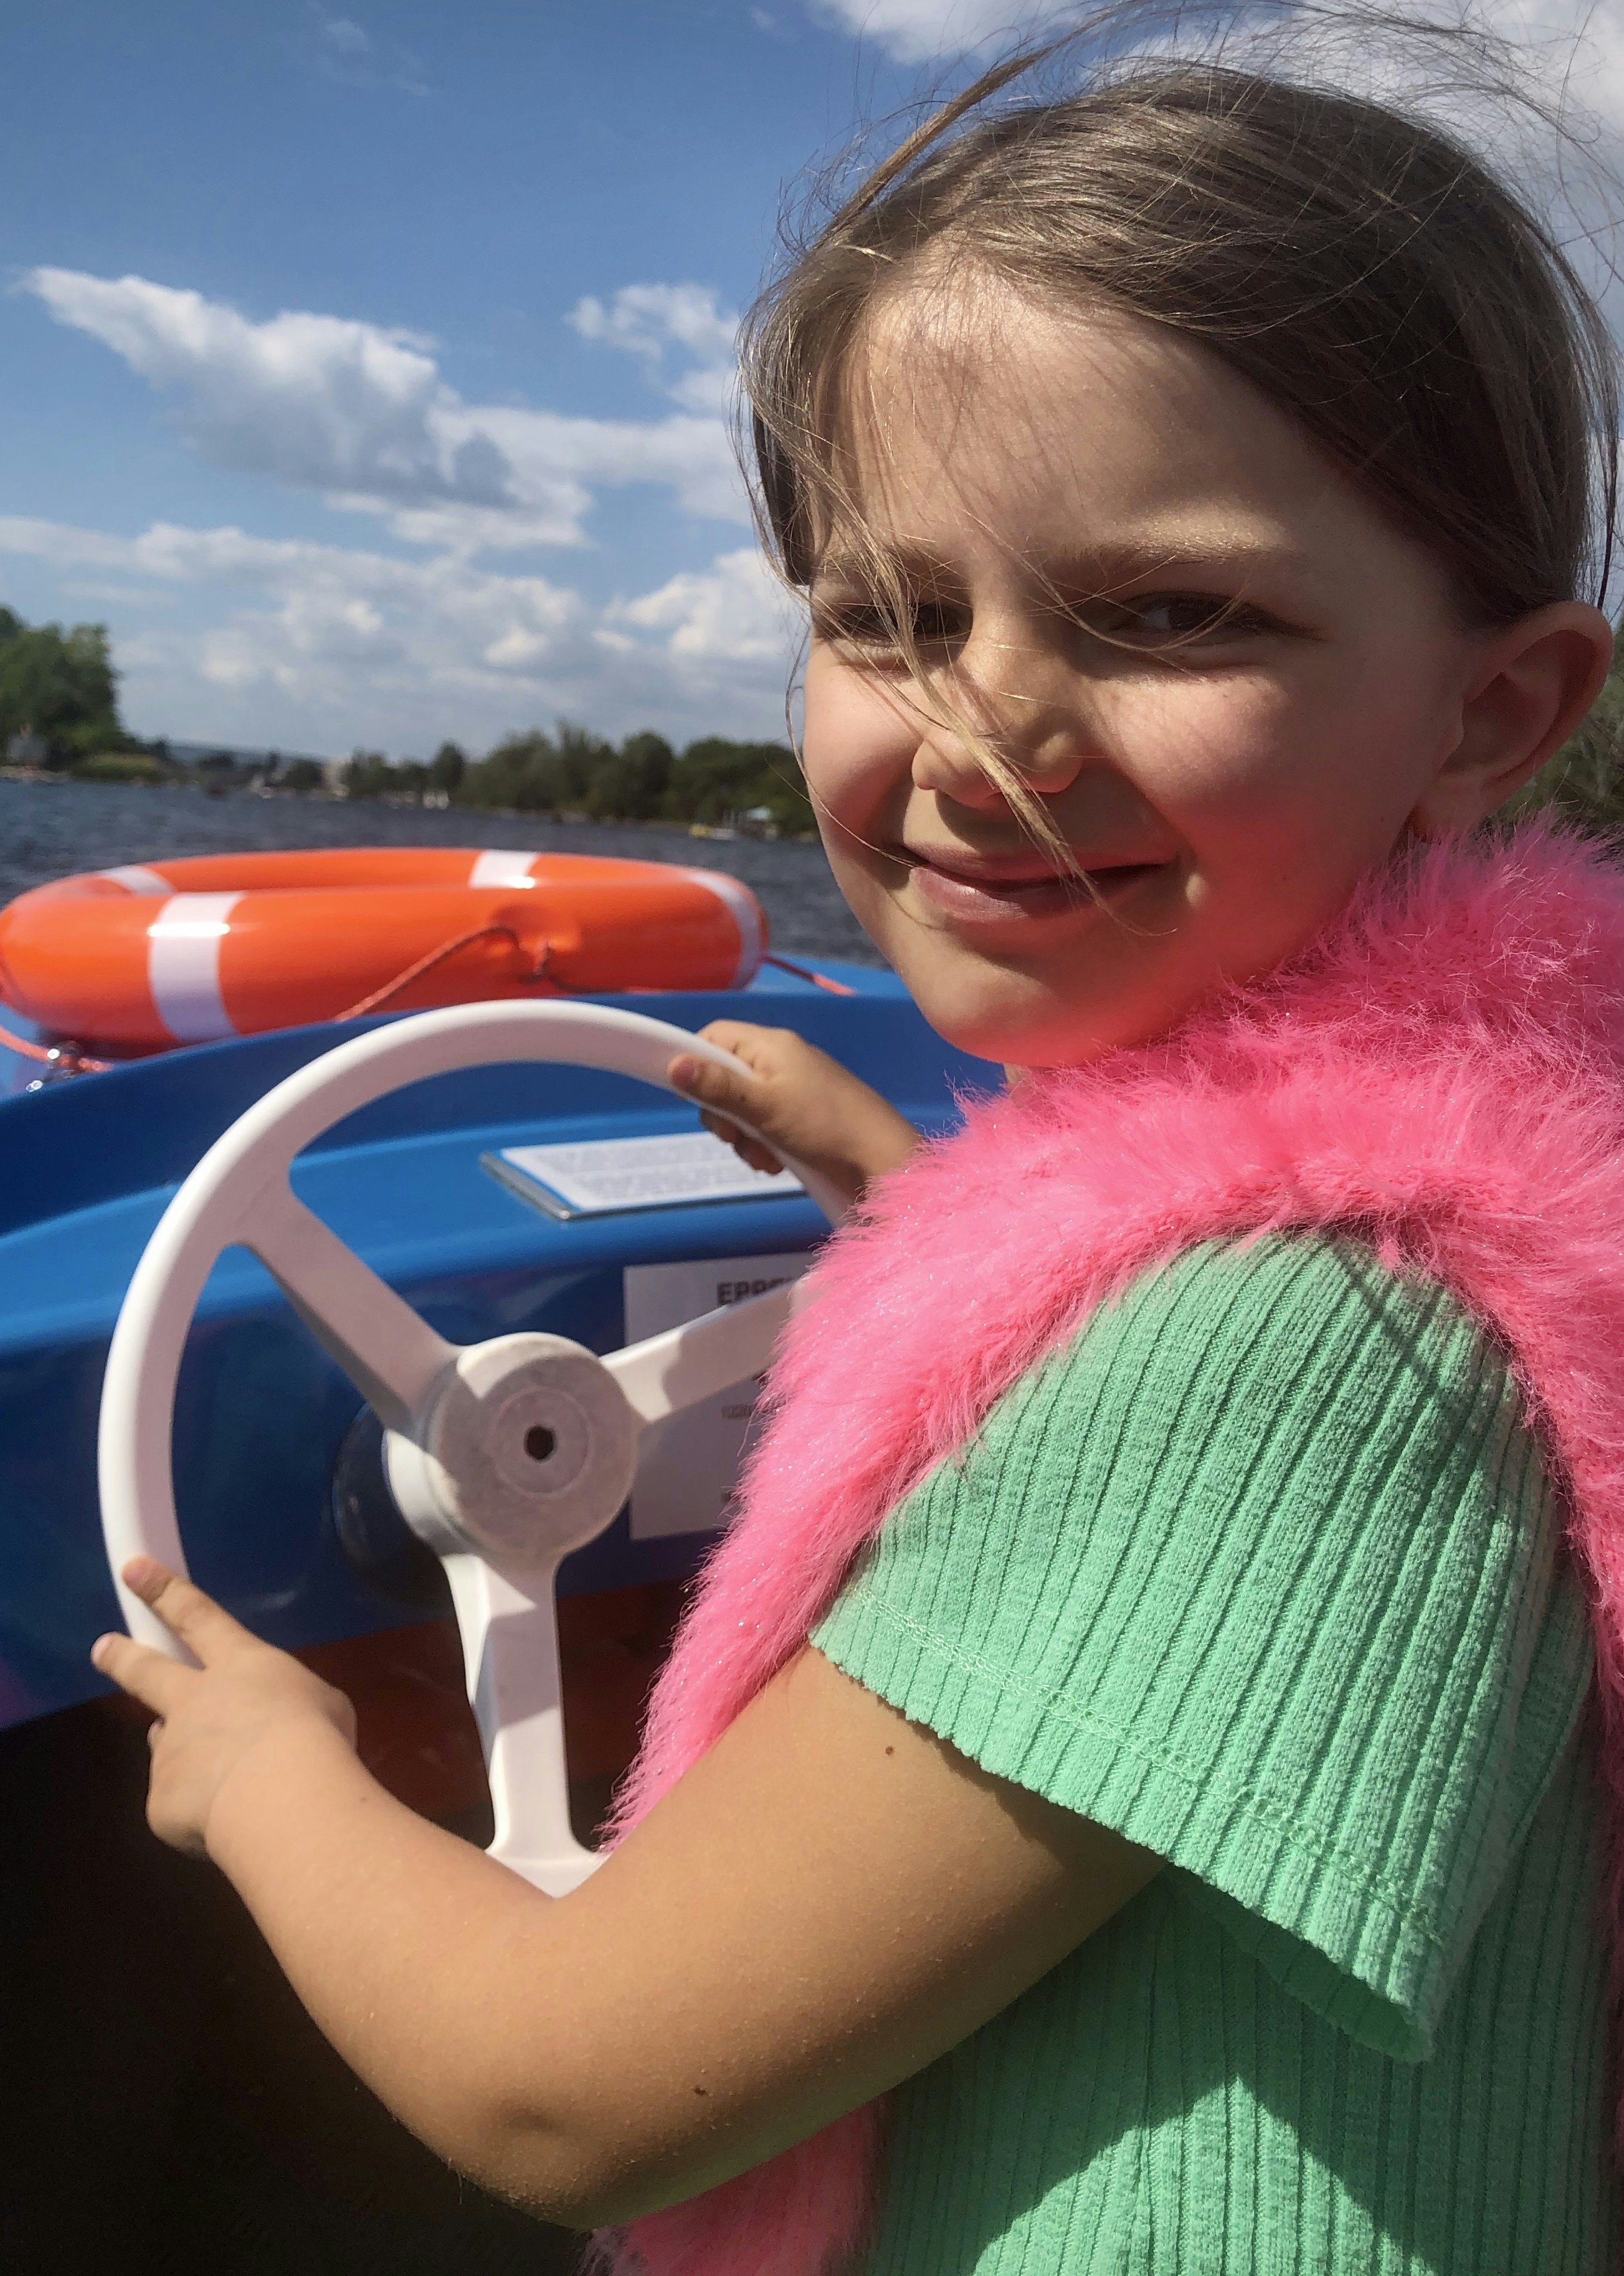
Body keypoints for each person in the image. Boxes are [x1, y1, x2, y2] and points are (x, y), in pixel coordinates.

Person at [92, 33, 1624, 2275]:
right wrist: (920, 1214)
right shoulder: (1478, 1200)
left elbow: (560, 2087)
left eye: (1170, 613)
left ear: (1489, 710)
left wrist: (270, 1773)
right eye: (889, 616)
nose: (983, 738)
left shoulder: (1309, 1351)